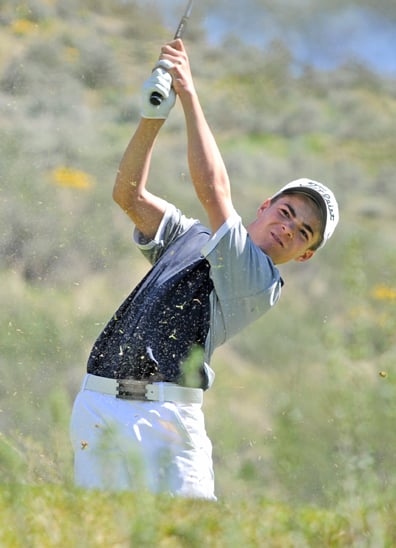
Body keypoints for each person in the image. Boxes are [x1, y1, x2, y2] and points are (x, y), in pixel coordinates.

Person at [70, 39, 339, 500]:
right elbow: (128, 195)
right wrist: (153, 116)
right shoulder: (188, 235)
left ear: (305, 255)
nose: (289, 228)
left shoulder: (258, 279)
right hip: (98, 403)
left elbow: (214, 192)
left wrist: (188, 92)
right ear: (268, 206)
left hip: (168, 421)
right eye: (288, 212)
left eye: (304, 232)